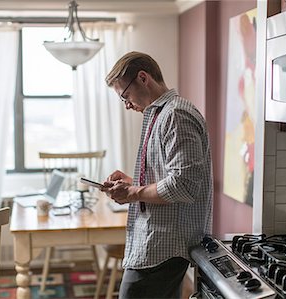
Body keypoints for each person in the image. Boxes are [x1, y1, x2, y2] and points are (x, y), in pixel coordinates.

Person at [101, 51, 213, 299]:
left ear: (143, 78)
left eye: (125, 96)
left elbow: (183, 185)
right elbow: (170, 175)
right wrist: (132, 182)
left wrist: (132, 193)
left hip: (164, 244)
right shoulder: (161, 114)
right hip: (154, 241)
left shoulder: (176, 115)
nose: (127, 104)